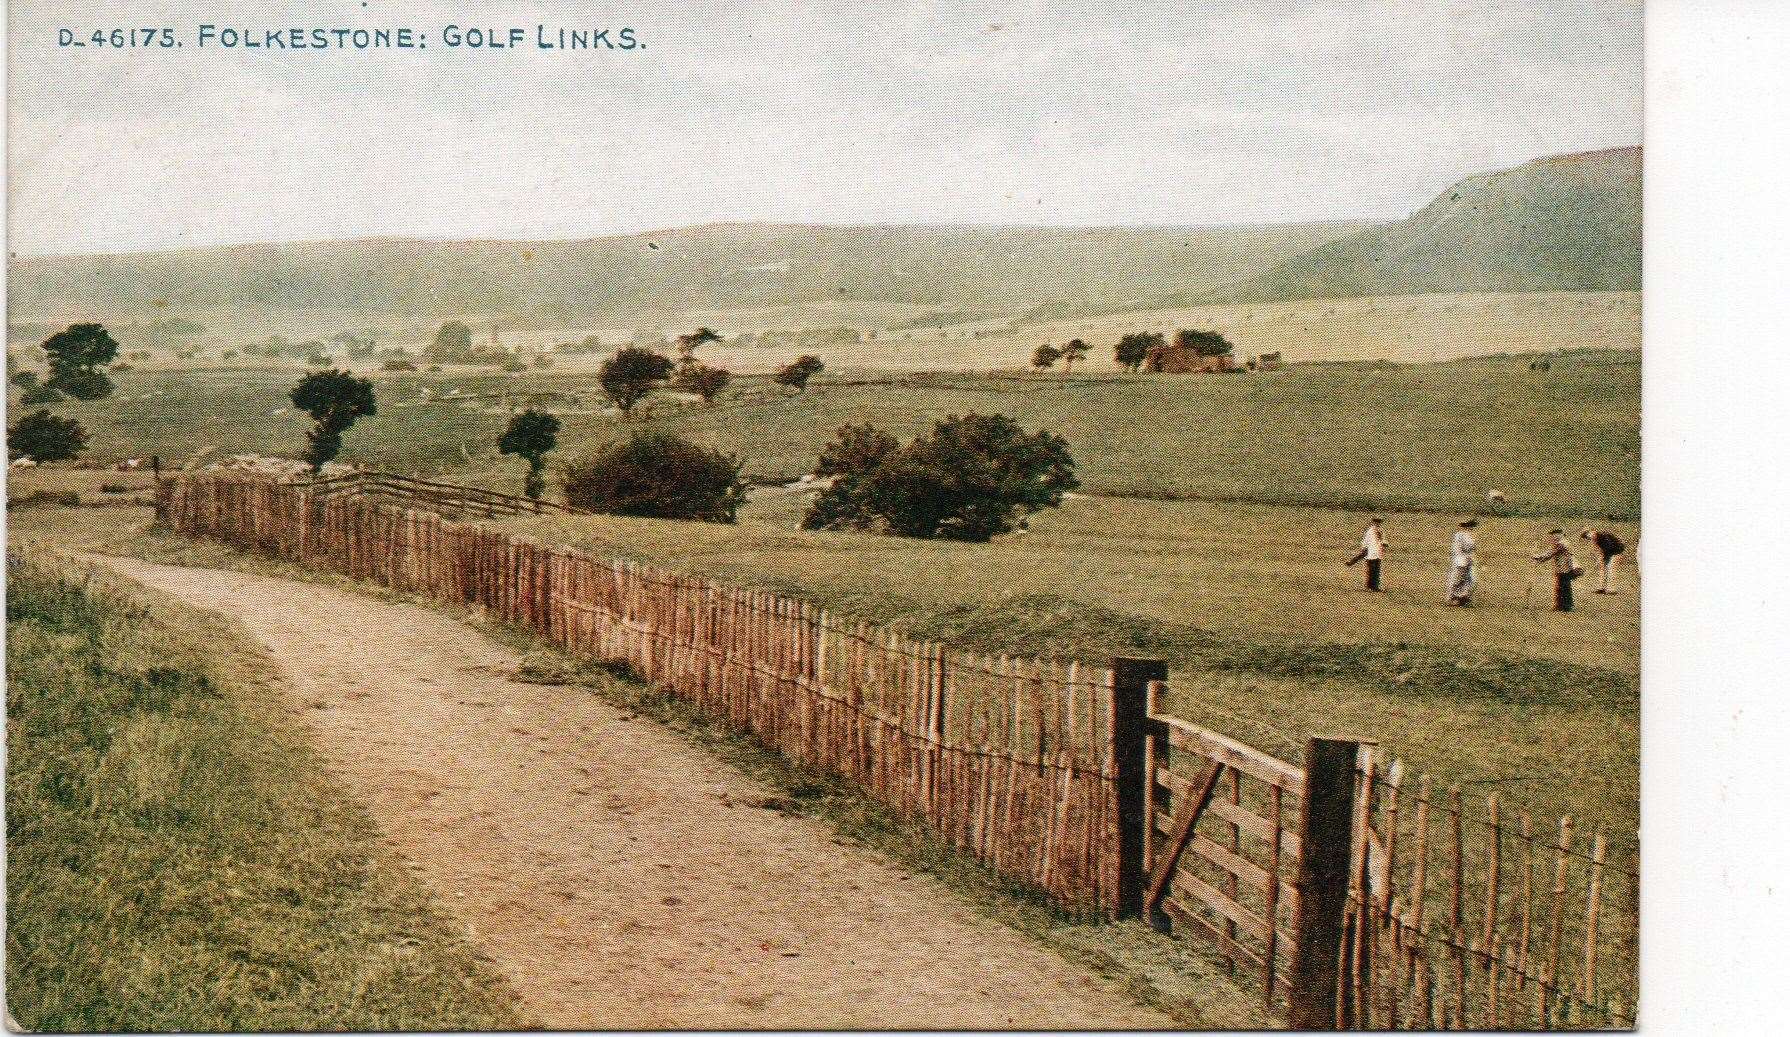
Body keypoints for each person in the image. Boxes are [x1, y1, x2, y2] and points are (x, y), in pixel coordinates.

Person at [1533, 528, 1582, 612]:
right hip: (1561, 569)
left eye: (1553, 536)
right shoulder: (1561, 542)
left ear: (1558, 535)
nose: (1552, 538)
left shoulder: (1562, 544)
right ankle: (1560, 606)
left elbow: (1551, 553)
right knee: (1560, 587)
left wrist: (1539, 558)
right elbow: (1551, 553)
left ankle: (1566, 606)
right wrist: (1539, 559)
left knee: (1564, 587)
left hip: (1565, 569)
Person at [1346, 517, 1388, 591]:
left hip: (1378, 552)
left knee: (1376, 571)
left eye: (1378, 522)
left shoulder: (1381, 531)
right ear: (1373, 522)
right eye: (1376, 522)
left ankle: (1374, 586)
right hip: (1371, 553)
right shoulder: (1370, 531)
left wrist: (1385, 544)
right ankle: (1371, 587)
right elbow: (1365, 541)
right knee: (1372, 570)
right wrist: (1364, 548)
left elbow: (1383, 540)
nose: (1377, 524)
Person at [1580, 527, 1627, 593]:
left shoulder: (1603, 535)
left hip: (1617, 550)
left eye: (1588, 535)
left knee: (1611, 568)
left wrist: (1602, 557)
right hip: (1608, 552)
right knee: (1602, 568)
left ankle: (1611, 589)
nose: (1589, 537)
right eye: (1586, 537)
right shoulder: (1595, 539)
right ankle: (1601, 588)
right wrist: (1600, 559)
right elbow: (1599, 550)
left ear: (1592, 532)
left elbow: (1610, 547)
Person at [1448, 519, 1479, 606]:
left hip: (1467, 560)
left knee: (1471, 580)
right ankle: (1455, 598)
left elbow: (1472, 549)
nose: (1470, 528)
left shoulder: (1468, 535)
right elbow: (1462, 548)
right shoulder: (1460, 536)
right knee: (1458, 579)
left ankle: (1464, 597)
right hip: (1461, 561)